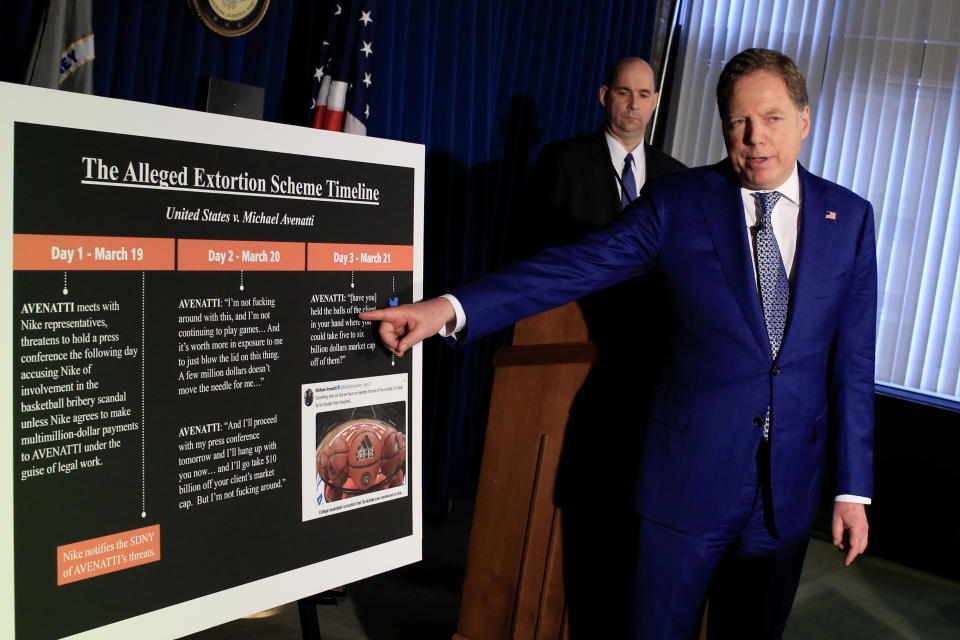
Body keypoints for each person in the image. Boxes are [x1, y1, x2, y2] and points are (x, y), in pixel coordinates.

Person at [361, 48, 875, 639]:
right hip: (685, 488)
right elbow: (571, 267)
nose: (756, 138)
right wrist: (448, 309)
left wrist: (851, 489)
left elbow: (853, 367)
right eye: (739, 121)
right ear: (723, 126)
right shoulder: (680, 204)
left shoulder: (850, 219)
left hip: (785, 495)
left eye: (774, 118)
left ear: (804, 120)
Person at [517, 57, 686, 638]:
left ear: (656, 100)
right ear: (603, 95)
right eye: (623, 92)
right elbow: (531, 259)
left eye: (644, 94)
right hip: (561, 353)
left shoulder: (675, 178)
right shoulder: (561, 162)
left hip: (646, 371)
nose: (633, 104)